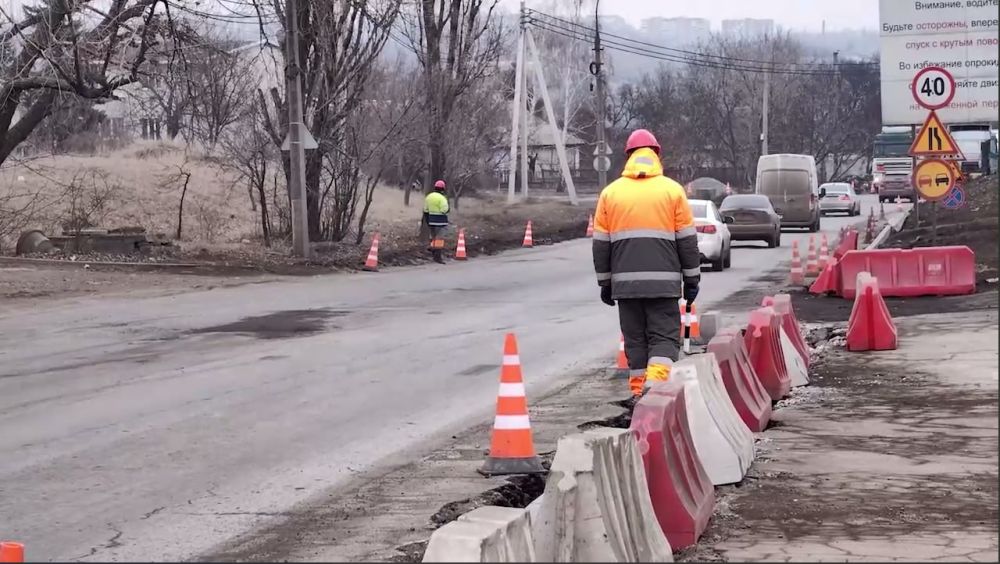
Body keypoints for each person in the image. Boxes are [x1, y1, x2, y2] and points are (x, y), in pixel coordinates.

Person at [591, 129, 701, 401]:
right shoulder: (672, 191)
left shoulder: (610, 193)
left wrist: (605, 282)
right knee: (663, 340)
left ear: (628, 156)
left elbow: (601, 244)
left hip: (626, 288)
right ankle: (656, 390)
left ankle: (639, 396)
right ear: (657, 155)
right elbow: (687, 241)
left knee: (636, 342)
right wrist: (692, 279)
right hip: (664, 288)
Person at [423, 179, 450, 264]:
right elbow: (444, 210)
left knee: (434, 237)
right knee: (439, 239)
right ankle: (437, 256)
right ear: (443, 188)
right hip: (441, 222)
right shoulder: (442, 198)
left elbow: (425, 210)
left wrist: (428, 220)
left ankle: (433, 251)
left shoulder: (429, 197)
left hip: (431, 220)